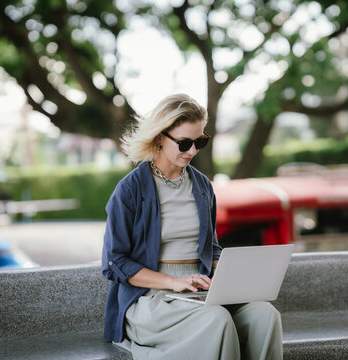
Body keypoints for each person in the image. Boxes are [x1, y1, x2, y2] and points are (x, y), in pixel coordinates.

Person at [101, 94, 283, 360]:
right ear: (160, 137)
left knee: (265, 316)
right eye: (184, 143)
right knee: (217, 319)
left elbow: (210, 247)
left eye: (200, 142)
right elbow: (114, 262)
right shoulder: (130, 190)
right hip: (151, 298)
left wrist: (232, 271)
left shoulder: (202, 186)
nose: (193, 151)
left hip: (199, 291)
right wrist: (173, 282)